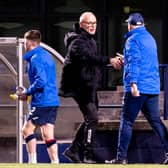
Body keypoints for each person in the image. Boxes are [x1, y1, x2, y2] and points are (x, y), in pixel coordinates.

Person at [59, 11, 123, 163]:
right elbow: (88, 58)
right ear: (82, 25)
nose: (92, 26)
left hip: (89, 86)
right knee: (93, 118)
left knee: (91, 119)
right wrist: (109, 60)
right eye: (89, 23)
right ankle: (88, 155)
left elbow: (93, 61)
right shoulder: (77, 42)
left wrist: (112, 62)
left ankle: (73, 150)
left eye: (94, 23)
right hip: (80, 87)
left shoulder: (89, 40)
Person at [106, 13, 168, 164]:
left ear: (130, 25)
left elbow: (135, 63)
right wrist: (127, 59)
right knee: (155, 121)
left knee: (126, 121)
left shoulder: (132, 40)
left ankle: (121, 158)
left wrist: (133, 84)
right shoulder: (150, 38)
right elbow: (143, 60)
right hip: (152, 88)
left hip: (138, 87)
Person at [17, 29, 60, 164]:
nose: (24, 45)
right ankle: (55, 162)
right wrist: (28, 92)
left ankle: (32, 162)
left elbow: (41, 81)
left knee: (26, 129)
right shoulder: (46, 55)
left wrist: (27, 92)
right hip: (52, 100)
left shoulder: (35, 59)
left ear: (29, 42)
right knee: (48, 133)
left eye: (25, 43)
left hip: (42, 102)